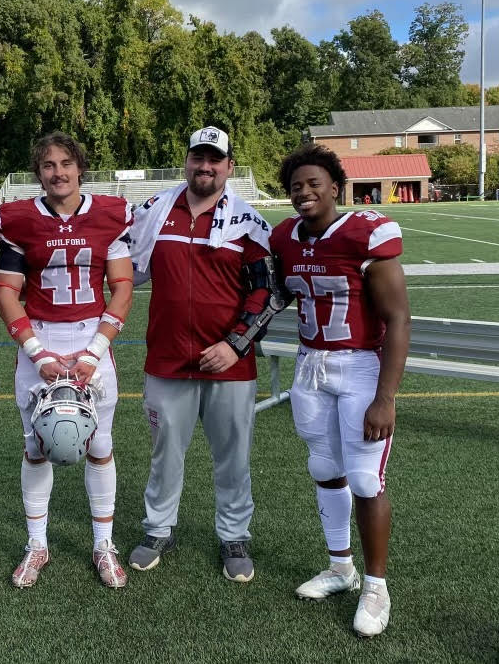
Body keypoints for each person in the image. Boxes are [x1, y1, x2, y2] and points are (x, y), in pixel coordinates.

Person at [127, 126, 281, 584]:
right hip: (168, 360)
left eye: (215, 159)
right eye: (198, 157)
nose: (205, 166)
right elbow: (120, 263)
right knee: (164, 453)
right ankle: (158, 529)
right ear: (187, 161)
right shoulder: (155, 212)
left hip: (230, 367)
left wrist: (235, 345)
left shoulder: (248, 223)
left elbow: (267, 292)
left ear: (229, 166)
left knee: (233, 457)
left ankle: (234, 534)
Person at [268, 143, 410, 638]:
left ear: (334, 186)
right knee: (325, 469)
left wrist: (386, 396)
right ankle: (340, 567)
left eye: (313, 184)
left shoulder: (364, 232)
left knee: (366, 479)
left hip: (359, 366)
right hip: (309, 364)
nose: (304, 192)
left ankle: (376, 585)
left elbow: (397, 316)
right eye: (295, 186)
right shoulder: (284, 237)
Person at [0, 132, 134, 589]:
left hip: (92, 336)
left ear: (80, 168)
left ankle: (103, 544)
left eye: (66, 163)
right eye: (49, 165)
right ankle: (37, 544)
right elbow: (7, 291)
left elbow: (123, 287)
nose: (58, 172)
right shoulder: (18, 221)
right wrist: (37, 353)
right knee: (36, 447)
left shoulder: (109, 216)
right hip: (41, 337)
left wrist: (94, 351)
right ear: (39, 173)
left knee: (99, 444)